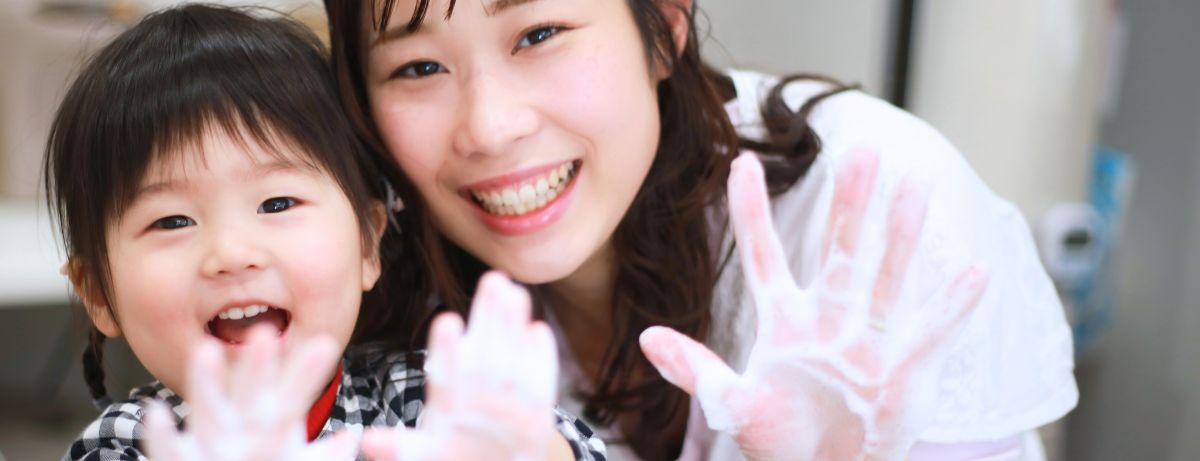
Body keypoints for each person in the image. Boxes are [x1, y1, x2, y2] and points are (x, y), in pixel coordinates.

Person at [323, 0, 1079, 459]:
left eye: (540, 32)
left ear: (664, 25)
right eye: (418, 69)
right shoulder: (363, 270)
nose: (489, 127)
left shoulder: (871, 204)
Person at [44, 5, 605, 460]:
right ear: (97, 290)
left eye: (278, 202)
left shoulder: (424, 397)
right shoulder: (126, 443)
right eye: (172, 220)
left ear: (367, 241)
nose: (232, 253)